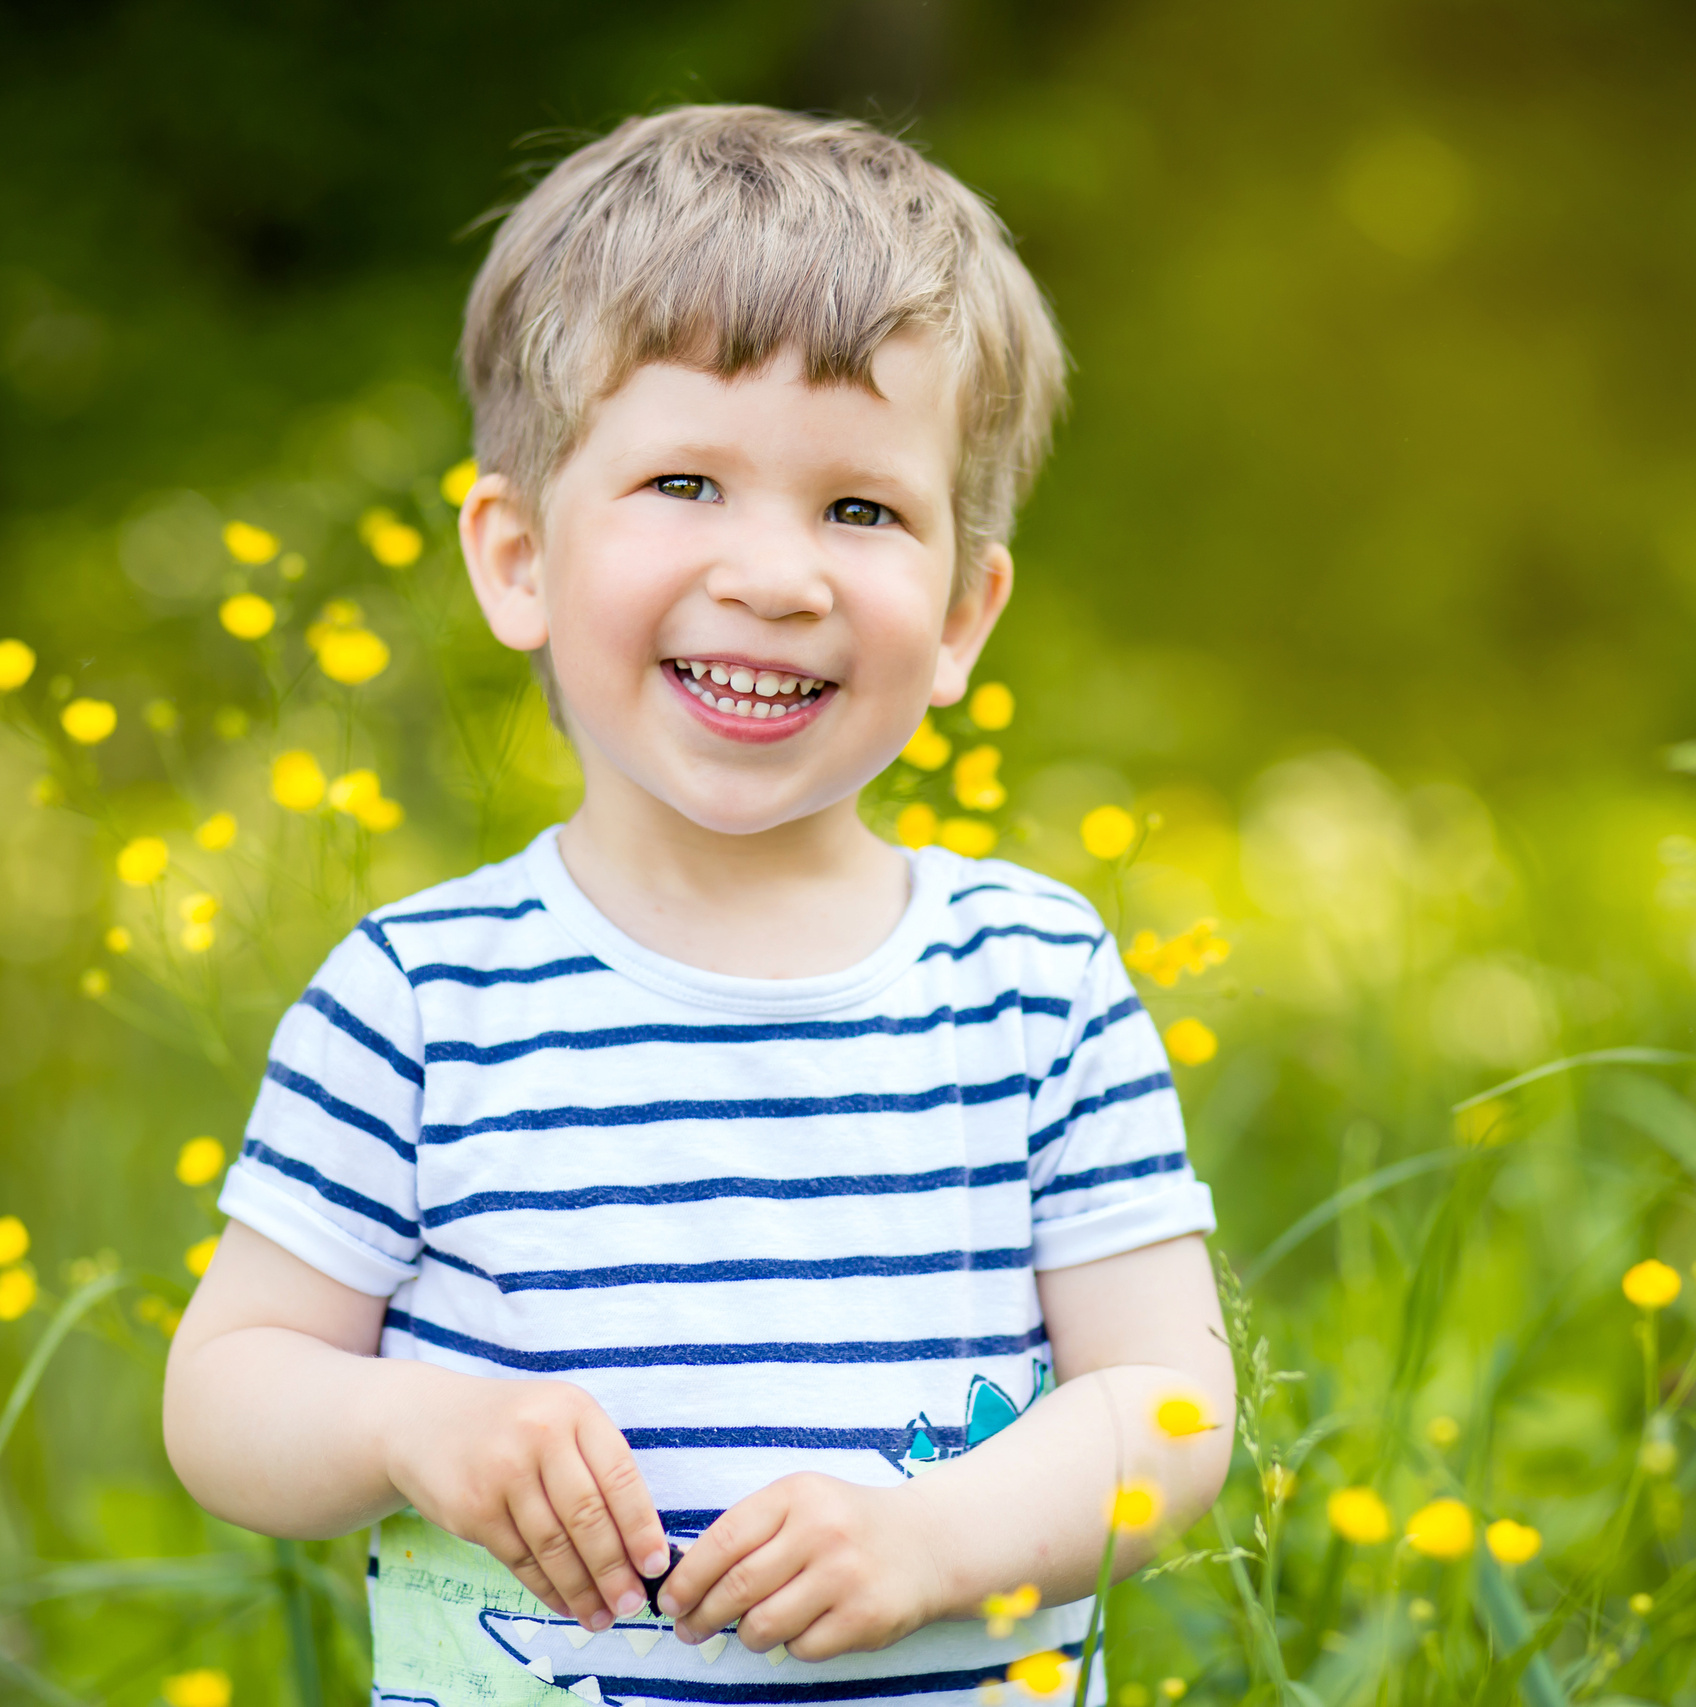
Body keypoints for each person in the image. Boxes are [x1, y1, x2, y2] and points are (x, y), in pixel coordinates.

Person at [163, 105, 1234, 1707]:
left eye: (861, 510)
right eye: (684, 481)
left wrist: (935, 1539)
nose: (775, 576)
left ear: (962, 611)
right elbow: (224, 1398)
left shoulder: (1033, 984)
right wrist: (409, 1421)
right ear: (518, 557)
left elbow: (1167, 1405)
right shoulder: (421, 1001)